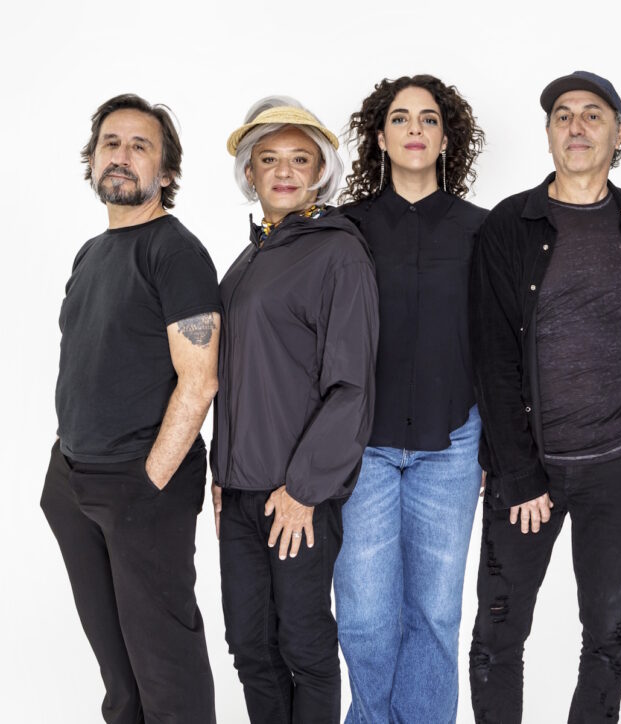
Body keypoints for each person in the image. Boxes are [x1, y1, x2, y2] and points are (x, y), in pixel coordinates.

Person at [468, 70, 621, 723]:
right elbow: (492, 357)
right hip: (530, 469)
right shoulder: (510, 225)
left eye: (592, 115)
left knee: (608, 639)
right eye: (563, 115)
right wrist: (520, 473)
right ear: (549, 132)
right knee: (498, 636)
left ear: (620, 132)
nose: (576, 127)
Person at [40, 94, 220, 724]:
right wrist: (63, 469)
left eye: (140, 146)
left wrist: (150, 483)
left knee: (166, 669)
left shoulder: (175, 252)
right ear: (92, 159)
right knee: (119, 675)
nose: (121, 156)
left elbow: (200, 380)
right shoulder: (91, 253)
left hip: (141, 486)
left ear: (165, 173)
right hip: (74, 481)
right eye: (110, 144)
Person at [212, 96, 379, 724]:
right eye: (269, 159)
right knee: (249, 647)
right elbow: (234, 376)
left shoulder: (338, 252)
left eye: (299, 159)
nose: (283, 171)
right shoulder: (248, 259)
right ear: (250, 173)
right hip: (240, 493)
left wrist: (305, 490)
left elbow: (352, 384)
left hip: (296, 495)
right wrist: (221, 472)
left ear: (320, 171)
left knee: (304, 647)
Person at [333, 74, 487, 724]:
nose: (415, 129)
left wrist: (497, 449)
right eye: (400, 118)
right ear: (380, 137)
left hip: (451, 445)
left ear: (447, 138)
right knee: (364, 617)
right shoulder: (346, 229)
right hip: (361, 447)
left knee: (435, 614)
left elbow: (498, 344)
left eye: (428, 119)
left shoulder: (483, 230)